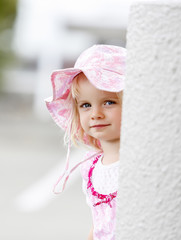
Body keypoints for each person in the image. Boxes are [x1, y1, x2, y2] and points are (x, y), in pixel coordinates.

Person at [45, 44, 126, 240]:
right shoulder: (91, 167)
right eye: (86, 105)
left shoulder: (139, 162)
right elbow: (98, 224)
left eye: (109, 102)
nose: (96, 114)